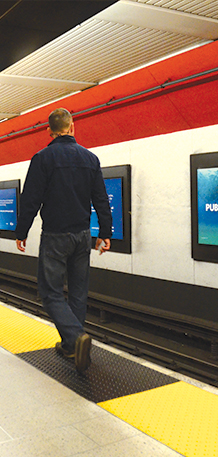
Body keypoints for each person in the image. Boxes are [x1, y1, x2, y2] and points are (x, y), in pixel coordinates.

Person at [15, 108, 112, 373]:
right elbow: (101, 199)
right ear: (73, 127)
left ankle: (75, 338)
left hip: (56, 236)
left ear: (49, 130)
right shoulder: (90, 159)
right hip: (82, 236)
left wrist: (21, 231)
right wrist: (105, 233)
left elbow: (31, 198)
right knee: (78, 292)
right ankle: (71, 347)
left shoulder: (42, 158)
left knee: (50, 292)